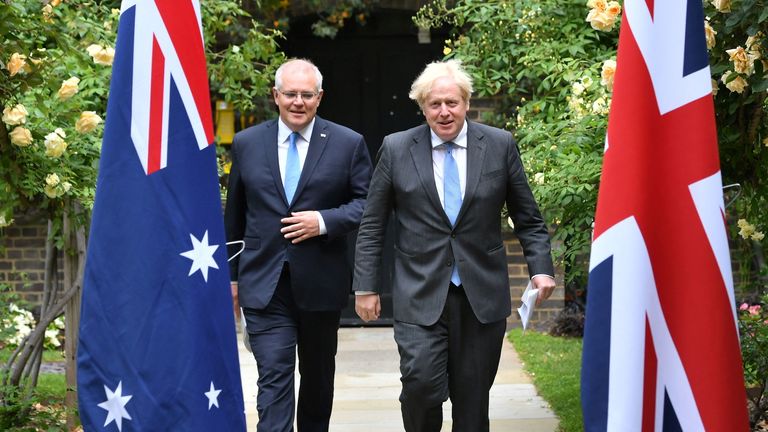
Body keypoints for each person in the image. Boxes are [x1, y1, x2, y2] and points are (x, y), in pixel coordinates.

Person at [353, 59, 556, 432]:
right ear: (422, 107)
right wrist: (365, 286)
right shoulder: (396, 149)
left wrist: (540, 269)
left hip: (481, 296)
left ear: (465, 102)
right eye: (435, 104)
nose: (444, 112)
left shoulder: (498, 145)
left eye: (452, 102)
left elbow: (527, 217)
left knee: (472, 403)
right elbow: (372, 223)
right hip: (419, 293)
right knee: (421, 387)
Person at [225, 58, 372, 432]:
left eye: (307, 95)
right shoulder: (246, 144)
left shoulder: (347, 143)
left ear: (320, 98)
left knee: (318, 380)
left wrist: (323, 221)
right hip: (264, 282)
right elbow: (235, 216)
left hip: (320, 282)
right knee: (273, 377)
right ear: (276, 96)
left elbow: (366, 204)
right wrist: (231, 278)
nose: (298, 102)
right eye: (290, 93)